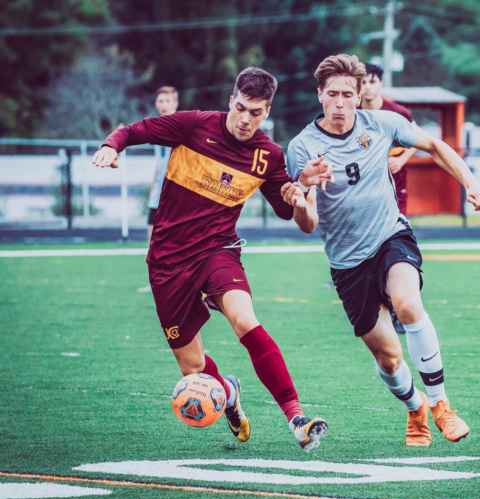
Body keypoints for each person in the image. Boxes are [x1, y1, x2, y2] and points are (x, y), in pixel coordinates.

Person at [92, 67, 329, 451]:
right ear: (229, 101)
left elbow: (294, 217)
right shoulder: (192, 126)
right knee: (193, 368)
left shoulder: (268, 156)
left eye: (255, 112)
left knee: (244, 319)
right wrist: (110, 146)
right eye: (240, 108)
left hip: (217, 251)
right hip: (168, 262)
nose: (245, 119)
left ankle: (296, 418)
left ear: (266, 111)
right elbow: (135, 131)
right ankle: (229, 395)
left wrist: (299, 197)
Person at [283, 54, 480, 447]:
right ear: (319, 96)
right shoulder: (302, 147)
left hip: (390, 237)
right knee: (389, 358)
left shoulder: (382, 124)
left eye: (348, 94)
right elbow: (308, 224)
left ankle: (442, 405)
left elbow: (433, 145)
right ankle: (415, 409)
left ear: (360, 95)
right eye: (332, 94)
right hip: (346, 263)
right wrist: (301, 194)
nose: (340, 102)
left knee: (408, 304)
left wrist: (471, 184)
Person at [360, 62, 418, 334]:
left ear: (380, 84)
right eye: (363, 81)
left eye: (372, 81)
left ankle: (397, 304)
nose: (367, 86)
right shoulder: (353, 113)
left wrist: (402, 159)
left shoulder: (398, 113)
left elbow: (419, 141)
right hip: (364, 191)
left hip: (394, 188)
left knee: (392, 240)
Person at [137, 86, 179, 294]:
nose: (163, 105)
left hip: (176, 199)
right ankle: (154, 284)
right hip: (156, 198)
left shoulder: (182, 128)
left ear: (175, 104)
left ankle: (185, 283)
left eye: (167, 101)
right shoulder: (155, 127)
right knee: (152, 243)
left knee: (179, 244)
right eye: (160, 101)